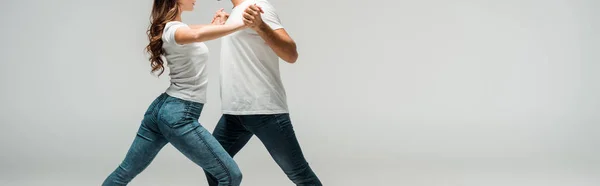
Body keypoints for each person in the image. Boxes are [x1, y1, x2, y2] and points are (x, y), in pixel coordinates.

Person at [102, 0, 262, 185]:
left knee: (124, 172)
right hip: (179, 115)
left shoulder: (176, 28)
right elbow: (196, 34)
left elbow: (197, 32)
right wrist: (244, 23)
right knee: (231, 175)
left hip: (163, 110)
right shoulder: (174, 30)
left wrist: (217, 24)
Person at [204, 0, 323, 185]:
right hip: (234, 112)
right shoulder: (236, 12)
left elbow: (291, 54)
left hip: (264, 111)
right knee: (213, 165)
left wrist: (261, 26)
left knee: (300, 174)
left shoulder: (259, 7)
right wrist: (223, 25)